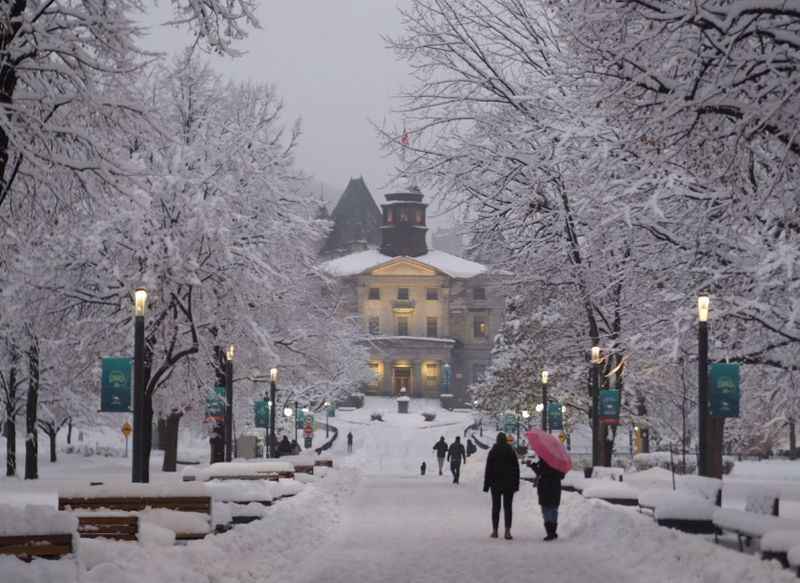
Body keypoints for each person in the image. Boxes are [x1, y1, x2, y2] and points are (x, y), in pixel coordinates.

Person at [483, 432, 520, 540]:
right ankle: (507, 531)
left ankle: (495, 531)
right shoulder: (511, 451)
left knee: (496, 507)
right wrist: (516, 484)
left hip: (495, 484)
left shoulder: (493, 451)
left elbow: (488, 469)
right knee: (508, 507)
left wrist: (486, 485)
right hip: (509, 484)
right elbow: (516, 469)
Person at [531, 457, 565, 541]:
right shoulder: (559, 461)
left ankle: (549, 532)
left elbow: (540, 472)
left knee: (546, 509)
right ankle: (553, 531)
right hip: (556, 487)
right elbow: (562, 475)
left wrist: (534, 466)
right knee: (554, 509)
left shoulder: (544, 459)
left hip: (545, 487)